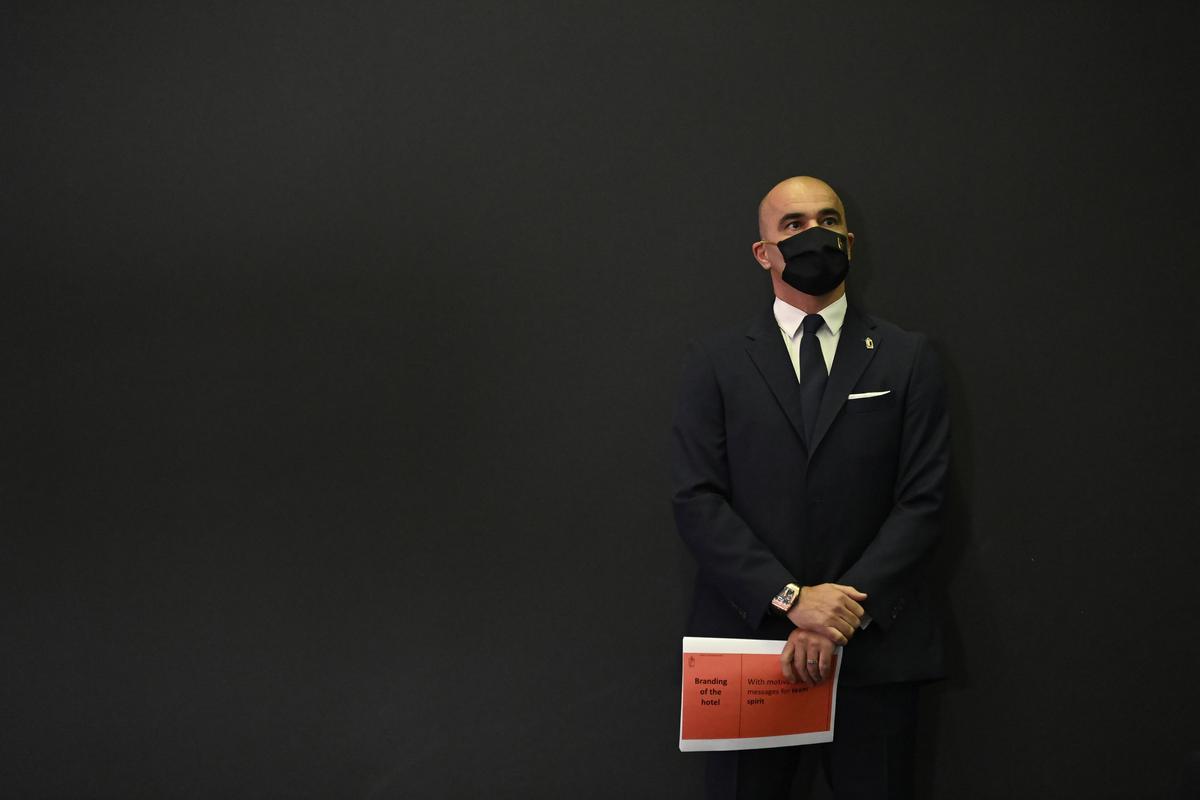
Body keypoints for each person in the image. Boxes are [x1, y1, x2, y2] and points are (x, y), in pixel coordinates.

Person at [671, 176, 950, 799]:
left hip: (876, 654)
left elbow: (923, 501)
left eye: (827, 221)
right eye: (793, 225)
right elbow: (697, 499)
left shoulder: (908, 357)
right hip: (747, 652)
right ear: (763, 252)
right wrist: (792, 599)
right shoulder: (714, 361)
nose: (813, 234)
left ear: (849, 241)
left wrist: (838, 614)